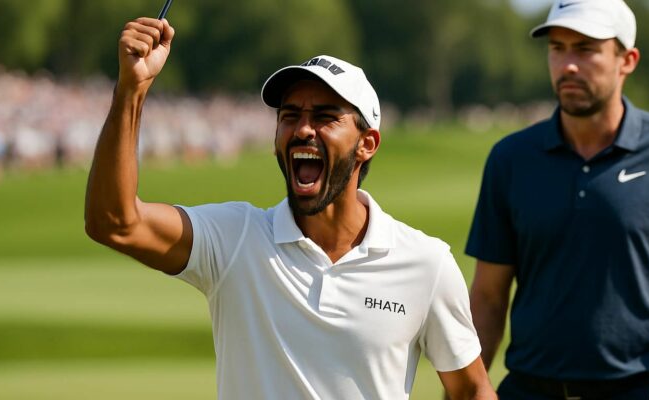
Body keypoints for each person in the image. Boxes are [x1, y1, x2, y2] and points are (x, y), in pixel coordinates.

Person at [84, 17, 496, 400]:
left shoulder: (426, 263)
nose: (302, 129)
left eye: (324, 117)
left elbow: (472, 390)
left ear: (367, 144)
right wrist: (131, 90)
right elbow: (114, 222)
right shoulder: (235, 239)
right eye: (290, 115)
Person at [466, 1, 649, 399]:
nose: (568, 65)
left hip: (638, 391)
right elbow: (488, 297)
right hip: (527, 389)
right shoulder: (510, 159)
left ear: (627, 60)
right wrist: (468, 391)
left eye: (585, 49)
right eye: (557, 48)